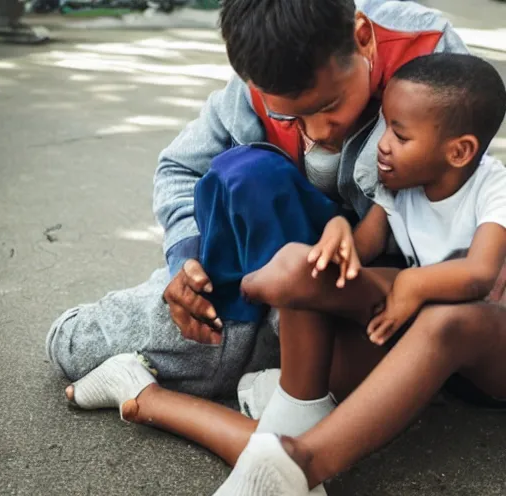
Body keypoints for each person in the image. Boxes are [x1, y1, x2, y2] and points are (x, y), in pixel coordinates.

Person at [64, 53, 506, 496]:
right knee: (307, 266)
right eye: (385, 127)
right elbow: (361, 248)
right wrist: (338, 235)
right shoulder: (401, 182)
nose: (382, 144)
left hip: (486, 344)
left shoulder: (493, 187)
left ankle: (301, 465)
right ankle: (144, 395)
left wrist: (413, 286)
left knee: (447, 320)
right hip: (410, 334)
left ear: (459, 151)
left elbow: (479, 275)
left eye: (399, 133)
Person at [46, 0, 478, 404]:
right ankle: (261, 344)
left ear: (362, 37)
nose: (320, 132)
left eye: (329, 106)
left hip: (377, 282)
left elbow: (450, 218)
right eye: (290, 116)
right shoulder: (262, 74)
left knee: (402, 360)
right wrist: (187, 263)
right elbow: (180, 169)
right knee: (71, 346)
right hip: (258, 277)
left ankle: (275, 356)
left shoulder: (430, 59)